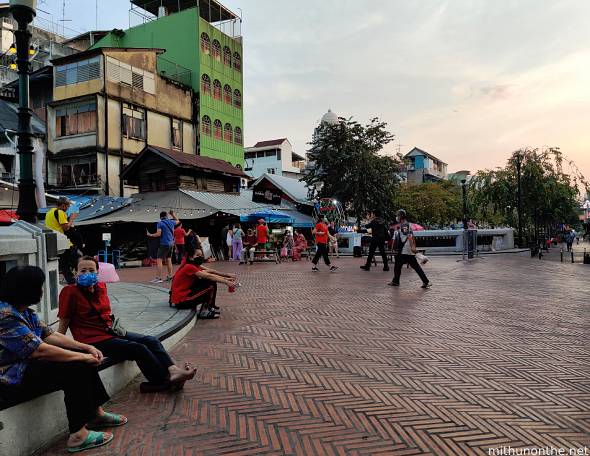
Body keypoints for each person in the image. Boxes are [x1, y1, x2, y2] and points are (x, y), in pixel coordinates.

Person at [0, 266, 126, 453]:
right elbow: (39, 350)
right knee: (75, 367)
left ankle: (95, 414)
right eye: (38, 286)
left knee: (83, 361)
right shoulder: (5, 316)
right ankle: (78, 436)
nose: (43, 291)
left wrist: (86, 348)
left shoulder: (24, 311)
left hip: (25, 365)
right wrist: (82, 356)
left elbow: (49, 334)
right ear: (25, 289)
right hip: (9, 376)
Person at [58, 257, 196, 393]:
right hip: (93, 340)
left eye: (91, 270)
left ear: (97, 272)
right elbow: (64, 321)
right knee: (138, 348)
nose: (87, 274)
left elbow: (106, 313)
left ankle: (173, 370)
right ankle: (163, 381)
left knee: (151, 340)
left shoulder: (101, 287)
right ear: (75, 272)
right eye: (83, 271)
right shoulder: (70, 292)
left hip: (110, 331)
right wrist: (59, 347)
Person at [170, 247, 237, 318]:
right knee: (210, 285)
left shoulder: (193, 265)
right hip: (182, 301)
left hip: (184, 295)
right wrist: (226, 282)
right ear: (190, 257)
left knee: (210, 282)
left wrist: (227, 276)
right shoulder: (189, 266)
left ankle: (210, 307)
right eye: (197, 255)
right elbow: (209, 276)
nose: (200, 257)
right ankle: (204, 311)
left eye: (201, 255)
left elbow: (211, 272)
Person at [389, 209, 430, 288]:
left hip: (405, 249)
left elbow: (409, 236)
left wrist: (412, 247)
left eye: (398, 215)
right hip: (406, 249)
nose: (396, 217)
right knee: (413, 266)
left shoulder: (404, 225)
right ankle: (425, 281)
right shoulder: (404, 225)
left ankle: (396, 281)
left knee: (398, 265)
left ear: (400, 216)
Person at [45, 196, 81, 284]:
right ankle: (82, 277)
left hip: (54, 242)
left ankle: (71, 281)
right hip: (64, 242)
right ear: (63, 205)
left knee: (64, 264)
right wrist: (72, 218)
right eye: (68, 206)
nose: (68, 208)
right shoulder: (60, 212)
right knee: (77, 259)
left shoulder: (49, 213)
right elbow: (66, 228)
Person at [146, 210, 181, 283]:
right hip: (171, 244)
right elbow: (178, 221)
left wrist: (150, 235)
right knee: (169, 260)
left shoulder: (160, 223)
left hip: (164, 244)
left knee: (159, 260)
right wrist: (173, 214)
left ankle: (158, 278)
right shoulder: (171, 222)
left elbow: (158, 234)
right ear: (166, 216)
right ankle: (170, 276)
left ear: (160, 217)